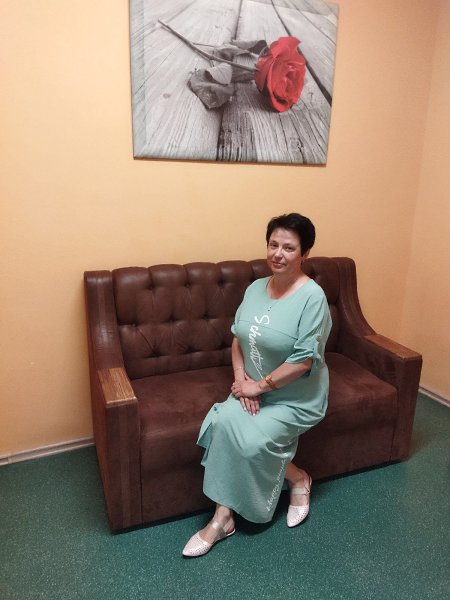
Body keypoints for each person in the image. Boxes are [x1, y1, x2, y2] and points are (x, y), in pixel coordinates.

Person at [182, 213, 332, 557]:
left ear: (304, 253)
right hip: (251, 387)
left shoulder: (313, 298)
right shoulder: (254, 288)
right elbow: (238, 336)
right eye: (273, 245)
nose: (278, 254)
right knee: (222, 423)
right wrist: (240, 379)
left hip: (295, 396)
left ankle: (297, 479)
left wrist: (259, 387)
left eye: (289, 248)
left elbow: (303, 361)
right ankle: (224, 517)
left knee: (251, 444)